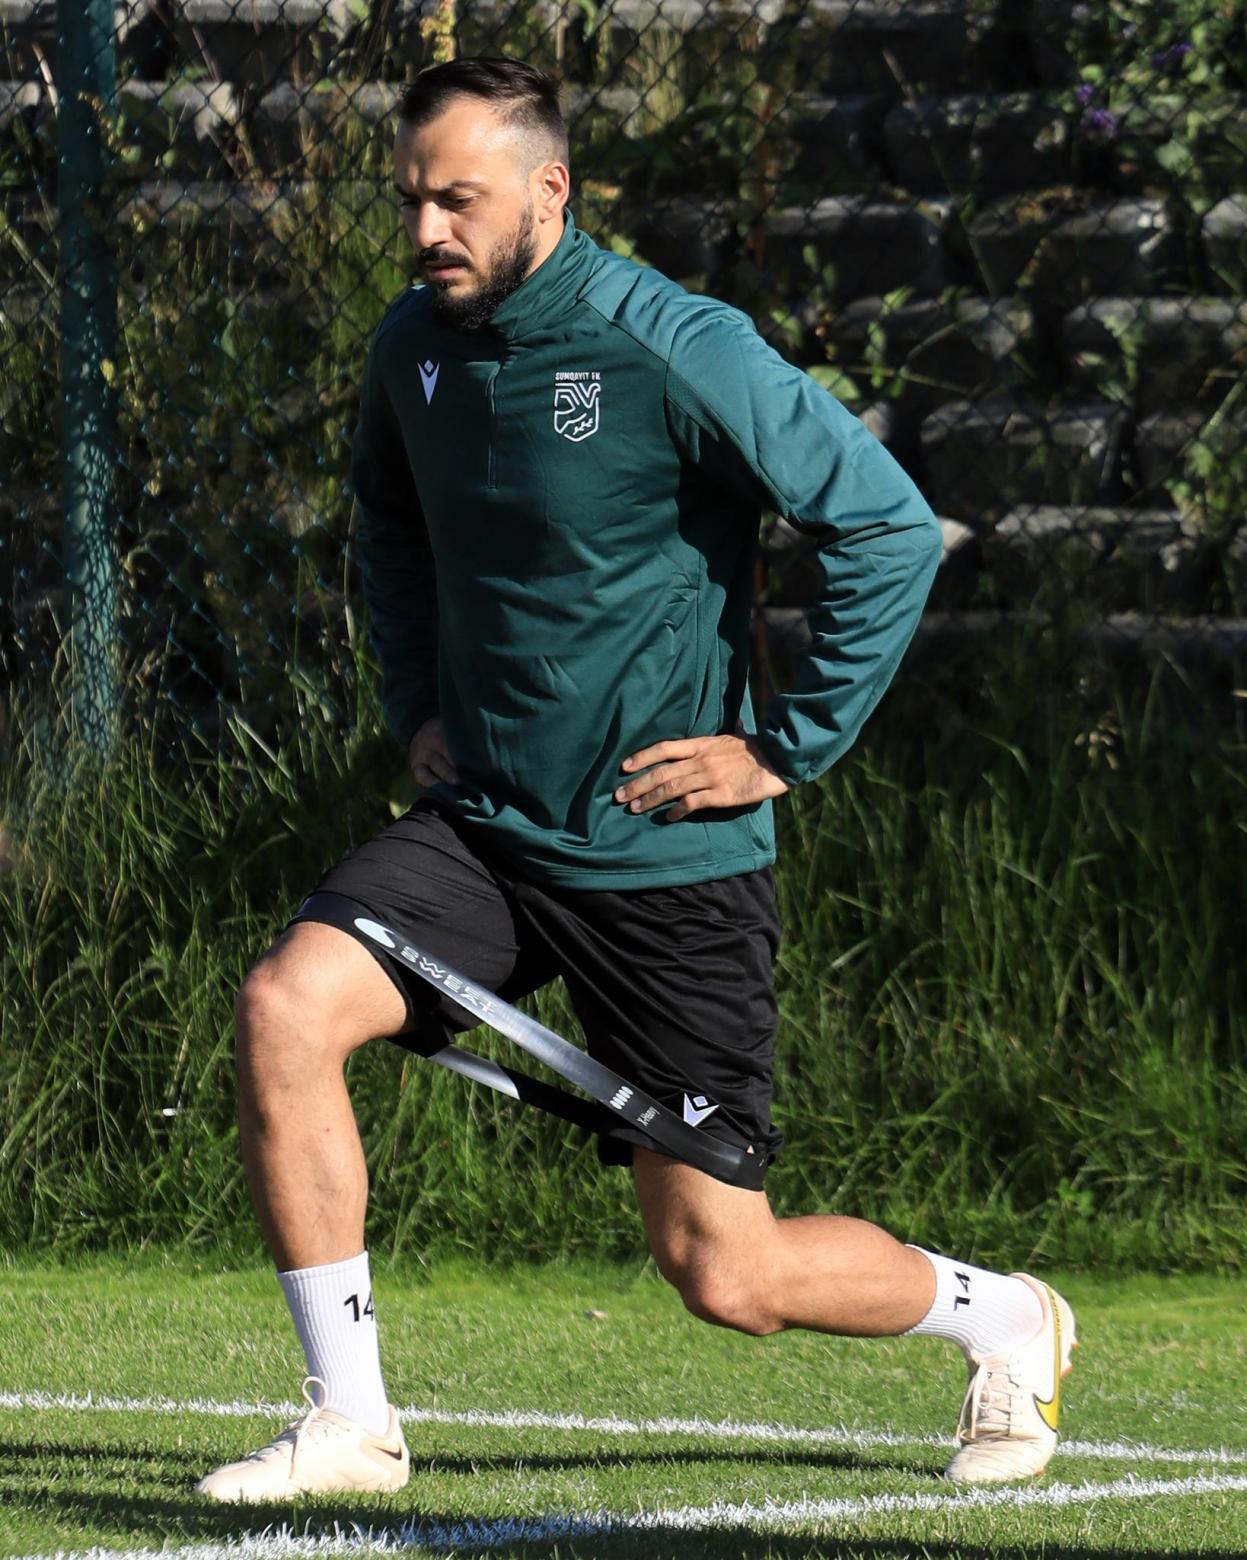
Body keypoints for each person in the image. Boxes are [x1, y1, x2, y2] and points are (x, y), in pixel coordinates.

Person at [196, 56, 1075, 1502]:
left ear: (548, 189)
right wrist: (416, 706)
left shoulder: (673, 344)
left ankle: (1007, 1315)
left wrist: (782, 748)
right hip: (485, 829)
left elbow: (883, 526)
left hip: (665, 857)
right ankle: (351, 1423)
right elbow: (388, 530)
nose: (425, 231)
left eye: (458, 200)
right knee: (287, 1005)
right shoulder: (411, 349)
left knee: (726, 1273)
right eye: (410, 199)